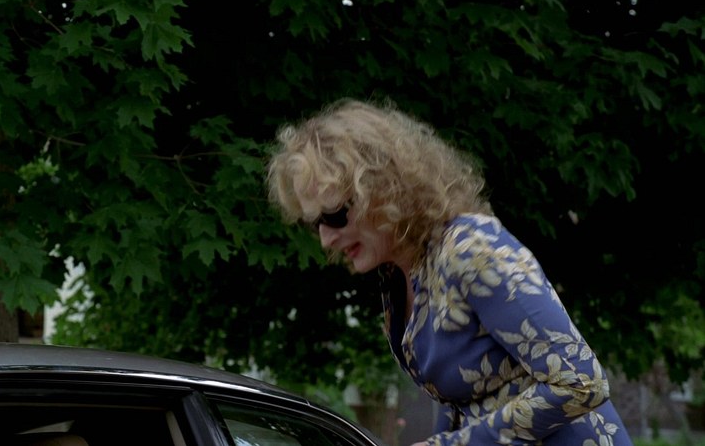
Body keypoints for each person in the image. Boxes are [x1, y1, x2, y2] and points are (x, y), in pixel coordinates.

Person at [265, 99, 633, 445]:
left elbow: (581, 381)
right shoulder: (398, 274)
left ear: (383, 188)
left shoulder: (470, 248)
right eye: (315, 223)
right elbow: (460, 402)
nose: (326, 238)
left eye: (333, 215)